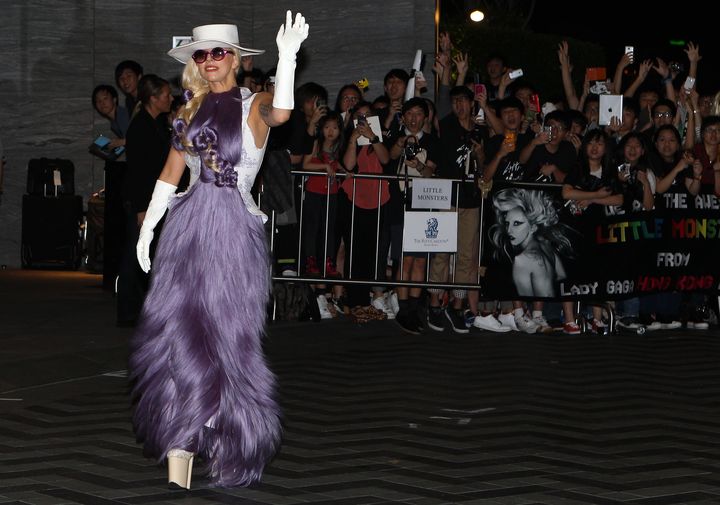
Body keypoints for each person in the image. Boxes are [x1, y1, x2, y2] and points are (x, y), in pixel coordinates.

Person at [128, 12, 308, 489]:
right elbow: (171, 171)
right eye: (201, 54)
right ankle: (179, 445)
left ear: (236, 60)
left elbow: (284, 114)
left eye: (219, 52)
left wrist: (288, 58)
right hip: (186, 232)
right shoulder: (186, 110)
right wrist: (149, 227)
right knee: (179, 334)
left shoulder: (256, 103)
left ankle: (227, 439)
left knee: (229, 339)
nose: (209, 61)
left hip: (232, 234)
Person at [489, 188, 573, 298]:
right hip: (550, 307)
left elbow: (526, 300)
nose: (509, 230)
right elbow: (561, 276)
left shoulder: (522, 260)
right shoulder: (547, 246)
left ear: (533, 227)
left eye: (517, 223)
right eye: (507, 223)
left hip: (538, 312)